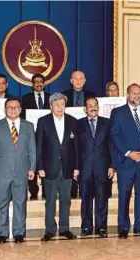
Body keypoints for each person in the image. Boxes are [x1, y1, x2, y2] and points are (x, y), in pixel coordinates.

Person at [110, 83, 140, 239]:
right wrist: (128, 153)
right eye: (134, 93)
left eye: (139, 93)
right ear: (128, 94)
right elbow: (114, 135)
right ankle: (123, 227)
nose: (137, 96)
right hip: (126, 162)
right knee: (124, 196)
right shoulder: (117, 113)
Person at [0, 97, 37, 244]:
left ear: (21, 109)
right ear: (5, 109)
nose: (13, 109)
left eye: (16, 107)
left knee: (20, 203)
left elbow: (32, 149)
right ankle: (2, 233)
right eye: (10, 107)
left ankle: (19, 232)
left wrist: (32, 167)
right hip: (1, 172)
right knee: (2, 202)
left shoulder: (28, 126)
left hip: (22, 170)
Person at [37, 92, 80, 241]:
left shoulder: (73, 121)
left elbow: (76, 147)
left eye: (62, 104)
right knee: (50, 201)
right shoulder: (43, 121)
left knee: (66, 200)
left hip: (68, 167)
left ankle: (64, 229)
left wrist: (76, 167)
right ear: (50, 107)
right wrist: (40, 166)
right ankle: (49, 230)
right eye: (56, 105)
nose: (60, 107)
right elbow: (39, 146)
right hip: (49, 168)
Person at [77, 97, 114, 238]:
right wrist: (76, 168)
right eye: (90, 105)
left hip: (102, 167)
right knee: (85, 199)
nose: (93, 107)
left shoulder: (107, 123)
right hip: (84, 167)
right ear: (85, 109)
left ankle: (101, 227)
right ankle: (86, 226)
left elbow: (112, 145)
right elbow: (76, 148)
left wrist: (112, 165)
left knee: (101, 198)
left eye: (95, 105)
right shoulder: (78, 124)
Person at [20, 73, 50, 200]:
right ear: (32, 85)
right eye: (36, 82)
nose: (38, 83)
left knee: (46, 163)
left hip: (47, 136)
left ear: (44, 84)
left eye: (41, 81)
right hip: (30, 134)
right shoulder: (25, 98)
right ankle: (33, 192)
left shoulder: (51, 98)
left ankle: (46, 192)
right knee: (31, 162)